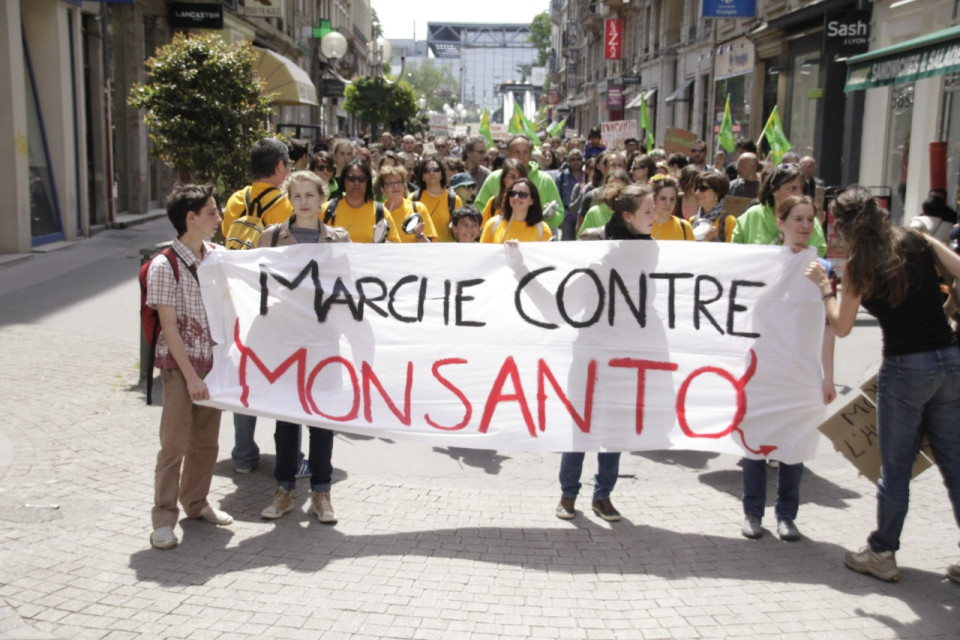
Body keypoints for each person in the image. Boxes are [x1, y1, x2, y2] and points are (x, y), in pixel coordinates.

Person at [806, 185, 960, 583]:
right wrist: (946, 303)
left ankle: (882, 551)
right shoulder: (913, 239)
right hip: (949, 358)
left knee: (895, 468)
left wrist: (826, 290)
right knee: (955, 464)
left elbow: (841, 326)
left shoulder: (860, 264)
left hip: (906, 367)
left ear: (842, 224)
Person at [741, 195, 837, 542]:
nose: (806, 226)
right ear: (780, 224)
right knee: (755, 443)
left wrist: (827, 376)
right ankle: (753, 513)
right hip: (762, 370)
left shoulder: (823, 270)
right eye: (798, 219)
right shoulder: (761, 265)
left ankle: (787, 515)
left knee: (794, 445)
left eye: (811, 220)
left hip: (801, 372)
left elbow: (829, 328)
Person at [559, 183, 656, 521]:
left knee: (615, 426)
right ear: (628, 215)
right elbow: (569, 281)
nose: (655, 217)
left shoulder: (652, 249)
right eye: (648, 212)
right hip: (590, 346)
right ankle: (568, 494)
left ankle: (603, 495)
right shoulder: (593, 240)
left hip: (626, 351)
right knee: (581, 423)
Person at [257, 172, 350, 524]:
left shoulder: (338, 238)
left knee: (322, 417)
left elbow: (348, 285)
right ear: (289, 198)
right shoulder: (272, 237)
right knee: (286, 418)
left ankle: (322, 491)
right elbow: (256, 280)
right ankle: (284, 489)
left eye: (310, 195)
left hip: (324, 337)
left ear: (322, 197)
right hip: (285, 338)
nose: (304, 202)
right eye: (297, 196)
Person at [147, 183, 233, 550]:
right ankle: (164, 518)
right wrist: (191, 377)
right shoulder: (164, 266)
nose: (219, 218)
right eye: (212, 212)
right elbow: (169, 329)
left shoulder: (216, 256)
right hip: (181, 367)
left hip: (211, 365)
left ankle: (196, 503)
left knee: (206, 444)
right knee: (174, 445)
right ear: (191, 218)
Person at [221, 138, 294, 474]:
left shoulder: (236, 199)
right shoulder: (285, 204)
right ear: (279, 167)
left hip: (237, 300)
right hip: (273, 303)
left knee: (244, 374)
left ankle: (244, 454)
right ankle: (288, 455)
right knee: (285, 375)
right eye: (288, 164)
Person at [732, 163, 827, 257]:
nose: (799, 194)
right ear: (774, 190)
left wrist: (803, 254)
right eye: (792, 188)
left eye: (801, 188)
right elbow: (735, 253)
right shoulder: (751, 216)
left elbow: (819, 254)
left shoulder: (809, 219)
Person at [474, 135, 565, 229]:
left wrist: (550, 215)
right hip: (501, 238)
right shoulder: (494, 178)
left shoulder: (545, 180)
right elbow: (479, 208)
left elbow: (559, 215)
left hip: (534, 240)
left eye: (525, 152)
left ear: (531, 154)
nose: (521, 156)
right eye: (517, 152)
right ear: (508, 154)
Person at [320, 160, 401, 243]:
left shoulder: (381, 212)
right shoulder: (326, 210)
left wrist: (381, 241)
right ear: (343, 181)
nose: (356, 183)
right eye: (351, 178)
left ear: (368, 183)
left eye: (362, 179)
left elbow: (396, 248)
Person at [480, 178, 553, 243]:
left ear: (532, 201)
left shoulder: (542, 229)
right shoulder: (492, 224)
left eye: (522, 194)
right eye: (512, 193)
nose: (516, 197)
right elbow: (483, 255)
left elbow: (546, 256)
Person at [410, 155, 462, 243]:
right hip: (419, 251)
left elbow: (460, 230)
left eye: (436, 170)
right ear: (422, 176)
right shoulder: (413, 198)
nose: (431, 173)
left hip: (446, 252)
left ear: (442, 175)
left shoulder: (453, 199)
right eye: (427, 171)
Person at [379, 165, 435, 243]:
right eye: (389, 183)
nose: (395, 186)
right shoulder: (378, 213)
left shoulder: (418, 208)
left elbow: (430, 246)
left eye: (398, 182)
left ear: (404, 186)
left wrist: (419, 236)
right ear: (382, 189)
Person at [577, 169, 632, 237]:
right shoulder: (594, 212)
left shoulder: (632, 213)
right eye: (611, 186)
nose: (614, 190)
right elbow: (581, 238)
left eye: (619, 187)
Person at [690, 171, 737, 242]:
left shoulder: (728, 221)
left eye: (703, 188)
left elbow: (733, 251)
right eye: (696, 188)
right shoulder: (692, 221)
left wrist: (714, 240)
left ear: (717, 192)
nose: (697, 193)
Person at [479, 158, 528, 227]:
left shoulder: (530, 202)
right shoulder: (494, 202)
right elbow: (483, 229)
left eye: (520, 177)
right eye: (512, 177)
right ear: (504, 179)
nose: (517, 181)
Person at [649, 175, 694, 241]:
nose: (668, 203)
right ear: (653, 199)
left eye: (672, 199)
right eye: (663, 198)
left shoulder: (684, 227)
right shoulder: (641, 226)